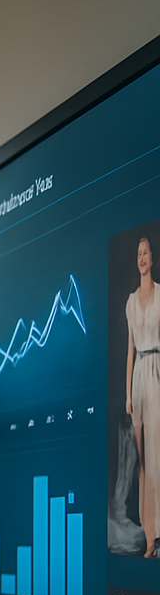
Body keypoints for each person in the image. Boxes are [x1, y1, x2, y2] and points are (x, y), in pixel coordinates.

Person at [124, 236, 160, 556]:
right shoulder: (131, 302)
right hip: (138, 379)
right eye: (138, 254)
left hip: (157, 374)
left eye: (146, 252)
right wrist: (127, 394)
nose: (142, 258)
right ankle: (149, 535)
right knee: (142, 463)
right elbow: (130, 350)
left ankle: (159, 532)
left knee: (157, 455)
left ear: (153, 257)